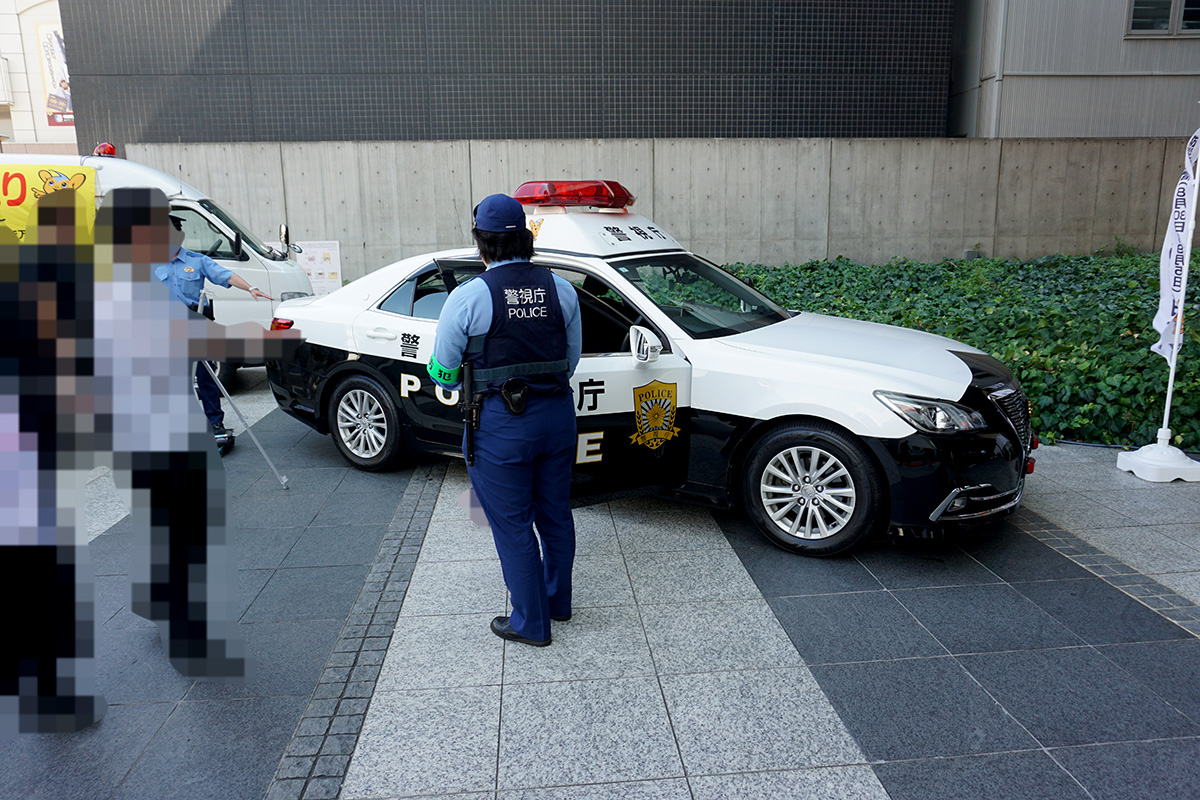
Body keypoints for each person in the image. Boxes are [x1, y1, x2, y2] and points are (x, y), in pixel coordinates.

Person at [428, 193, 582, 647]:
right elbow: (569, 362)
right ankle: (558, 602)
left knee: (513, 523)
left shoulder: (469, 296)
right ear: (526, 240)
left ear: (482, 243)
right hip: (556, 417)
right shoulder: (562, 288)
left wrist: (459, 381)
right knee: (555, 513)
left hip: (500, 425)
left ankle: (529, 623)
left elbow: (444, 368)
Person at [156, 215, 272, 449]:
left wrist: (251, 287)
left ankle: (214, 422)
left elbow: (225, 275)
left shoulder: (197, 261)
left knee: (206, 376)